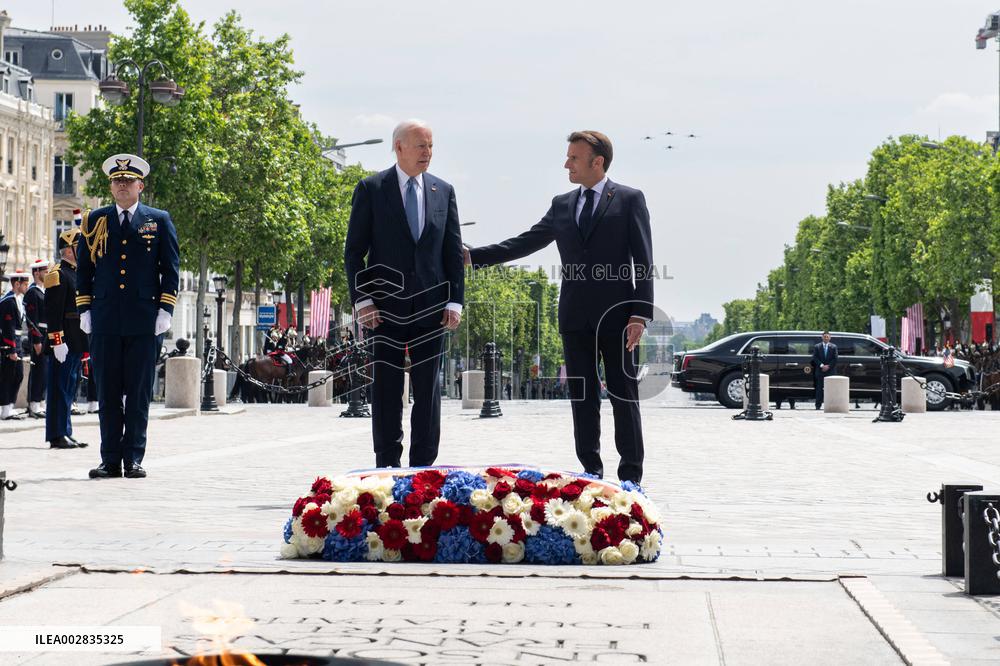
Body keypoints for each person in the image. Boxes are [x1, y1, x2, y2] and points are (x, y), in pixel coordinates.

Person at [466, 131, 653, 484]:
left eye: (574, 158)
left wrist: (640, 315)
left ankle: (631, 478)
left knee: (623, 398)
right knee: (583, 399)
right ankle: (591, 474)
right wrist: (473, 257)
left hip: (619, 318)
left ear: (597, 162)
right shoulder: (562, 204)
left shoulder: (629, 199)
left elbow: (644, 259)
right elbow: (525, 242)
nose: (566, 163)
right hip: (574, 317)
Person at [344, 119, 464, 468]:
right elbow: (354, 252)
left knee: (428, 391)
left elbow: (452, 252)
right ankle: (386, 465)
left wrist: (455, 300)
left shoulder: (444, 190)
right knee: (386, 388)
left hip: (432, 307)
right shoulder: (371, 189)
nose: (428, 153)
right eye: (420, 145)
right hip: (384, 308)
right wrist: (363, 300)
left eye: (430, 145)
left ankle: (423, 468)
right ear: (399, 148)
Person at [76, 153, 180, 479]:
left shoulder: (158, 220)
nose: (122, 186)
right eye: (117, 181)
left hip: (143, 320)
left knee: (137, 393)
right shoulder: (96, 220)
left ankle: (133, 457)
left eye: (128, 181)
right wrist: (85, 309)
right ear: (111, 186)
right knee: (106, 392)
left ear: (140, 185)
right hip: (105, 319)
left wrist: (165, 309)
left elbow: (170, 269)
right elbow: (84, 270)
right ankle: (109, 459)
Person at [44, 228, 90, 450]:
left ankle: (66, 431)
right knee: (59, 389)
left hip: (75, 341)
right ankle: (56, 434)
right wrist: (56, 341)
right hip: (62, 343)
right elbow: (53, 312)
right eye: (79, 246)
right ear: (69, 250)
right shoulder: (57, 274)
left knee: (69, 388)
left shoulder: (75, 273)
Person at [0, 269, 31, 420]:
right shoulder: (8, 301)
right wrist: (11, 348)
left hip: (17, 343)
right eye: (25, 284)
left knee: (17, 375)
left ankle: (9, 406)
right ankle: (5, 409)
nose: (27, 287)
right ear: (17, 284)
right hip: (10, 344)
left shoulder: (18, 300)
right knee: (9, 376)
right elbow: (8, 327)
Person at [24, 258, 48, 418]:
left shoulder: (42, 290)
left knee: (44, 370)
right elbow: (31, 319)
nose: (47, 273)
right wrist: (37, 340)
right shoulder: (32, 292)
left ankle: (40, 402)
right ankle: (33, 403)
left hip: (45, 334)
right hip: (38, 335)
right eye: (44, 271)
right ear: (36, 273)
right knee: (38, 370)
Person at [811, 331, 838, 409]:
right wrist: (822, 365)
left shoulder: (834, 347)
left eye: (827, 336)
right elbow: (815, 357)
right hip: (820, 371)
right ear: (822, 337)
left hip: (830, 371)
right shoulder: (817, 346)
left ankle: (831, 406)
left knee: (831, 389)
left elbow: (835, 358)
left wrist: (828, 366)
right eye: (824, 336)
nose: (826, 338)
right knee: (819, 389)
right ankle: (818, 405)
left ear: (830, 337)